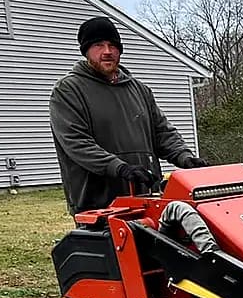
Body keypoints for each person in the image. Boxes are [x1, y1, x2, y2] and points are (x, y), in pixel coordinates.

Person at [49, 16, 209, 214]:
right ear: (86, 51)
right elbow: (77, 144)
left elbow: (162, 133)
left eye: (112, 45)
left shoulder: (139, 90)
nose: (107, 52)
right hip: (98, 203)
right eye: (98, 45)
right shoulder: (68, 91)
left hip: (146, 197)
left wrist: (185, 157)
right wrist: (120, 168)